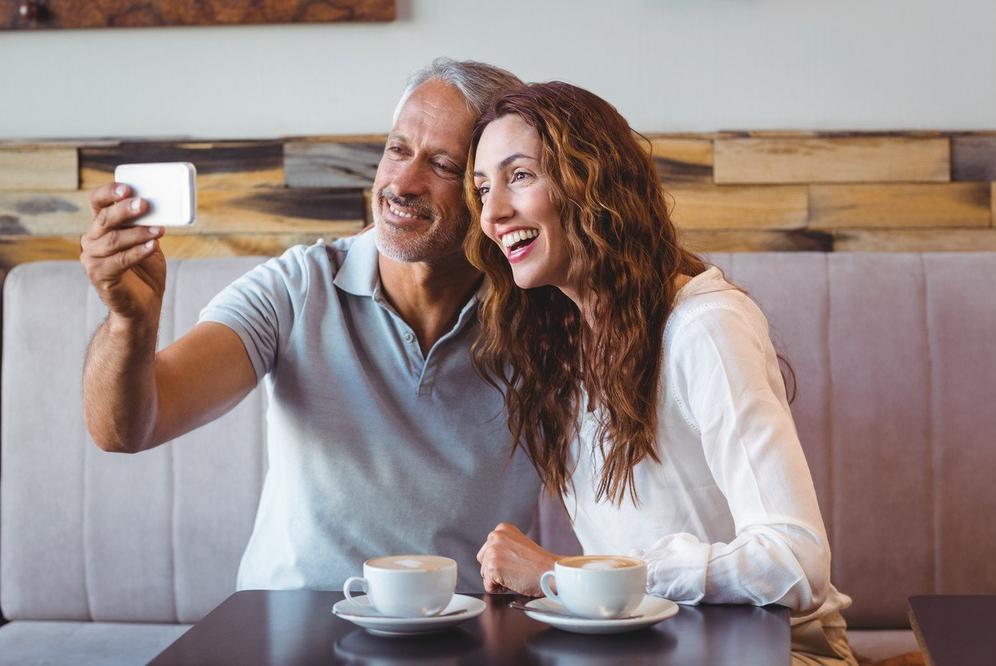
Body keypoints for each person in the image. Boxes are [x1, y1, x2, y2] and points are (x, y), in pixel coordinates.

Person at [78, 58, 541, 592]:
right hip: (293, 621)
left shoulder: (544, 316)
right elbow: (124, 428)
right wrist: (129, 322)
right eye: (397, 149)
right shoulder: (295, 288)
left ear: (491, 190)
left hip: (462, 626)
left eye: (442, 164)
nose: (402, 182)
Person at [467, 82, 857, 664]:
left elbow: (797, 564)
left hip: (781, 654)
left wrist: (568, 573)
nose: (493, 213)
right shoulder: (563, 346)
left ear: (591, 182)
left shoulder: (705, 328)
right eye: (481, 188)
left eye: (519, 176)